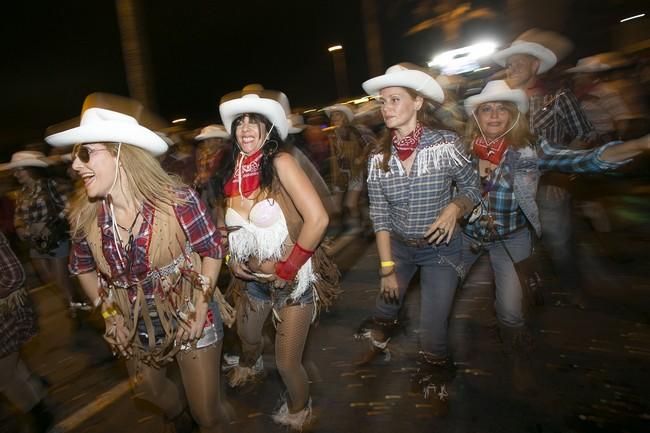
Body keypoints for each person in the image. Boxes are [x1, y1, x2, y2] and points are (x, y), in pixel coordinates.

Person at [44, 93, 232, 433]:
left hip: (188, 308)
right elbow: (81, 268)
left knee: (208, 413)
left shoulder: (177, 200)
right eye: (74, 155)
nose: (75, 165)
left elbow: (212, 250)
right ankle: (181, 420)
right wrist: (109, 315)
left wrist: (200, 304)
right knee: (150, 391)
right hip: (133, 319)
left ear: (120, 154)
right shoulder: (85, 217)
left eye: (85, 152)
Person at [462, 80, 650, 391]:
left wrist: (640, 144)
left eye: (502, 109)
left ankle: (517, 353)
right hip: (464, 237)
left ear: (513, 116)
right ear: (476, 117)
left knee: (509, 311)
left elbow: (586, 160)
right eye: (486, 109)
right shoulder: (459, 153)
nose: (494, 115)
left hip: (510, 237)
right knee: (439, 290)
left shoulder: (529, 151)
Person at [214, 85, 339, 430]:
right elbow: (231, 231)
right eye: (240, 122)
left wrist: (288, 267)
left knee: (287, 364)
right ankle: (250, 364)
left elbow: (318, 220)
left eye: (255, 121)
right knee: (248, 338)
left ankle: (299, 407)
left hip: (293, 282)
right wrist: (231, 261)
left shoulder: (281, 162)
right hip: (251, 284)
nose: (246, 128)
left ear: (269, 128)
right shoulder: (233, 170)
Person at [357, 63, 481, 412]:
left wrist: (455, 207)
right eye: (382, 102)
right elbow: (379, 215)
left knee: (434, 323)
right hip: (398, 246)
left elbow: (472, 186)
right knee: (386, 302)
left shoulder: (446, 144)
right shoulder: (379, 158)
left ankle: (435, 377)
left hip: (441, 250)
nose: (386, 108)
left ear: (417, 102)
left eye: (395, 99)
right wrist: (386, 267)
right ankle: (379, 342)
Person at [492, 29, 595, 307]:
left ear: (535, 65)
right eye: (509, 62)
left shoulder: (558, 98)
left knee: (559, 243)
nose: (511, 67)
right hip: (509, 187)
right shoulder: (501, 100)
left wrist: (564, 174)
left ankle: (574, 288)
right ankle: (529, 291)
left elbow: (585, 135)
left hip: (549, 183)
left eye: (518, 62)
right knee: (516, 245)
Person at [0, 150, 82, 314]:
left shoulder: (51, 184)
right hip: (35, 243)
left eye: (19, 170)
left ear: (30, 169)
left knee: (60, 279)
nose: (15, 174)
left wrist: (48, 224)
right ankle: (72, 300)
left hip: (55, 238)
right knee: (47, 278)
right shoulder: (23, 193)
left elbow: (69, 205)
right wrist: (20, 227)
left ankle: (74, 306)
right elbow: (18, 215)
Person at [0, 230, 57, 433]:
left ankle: (39, 413)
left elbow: (14, 275)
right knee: (13, 367)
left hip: (4, 316)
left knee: (5, 377)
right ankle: (38, 400)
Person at [323, 103, 375, 234]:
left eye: (338, 115)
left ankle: (363, 226)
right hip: (341, 173)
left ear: (345, 117)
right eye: (333, 116)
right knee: (335, 205)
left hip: (355, 172)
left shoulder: (355, 130)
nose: (335, 118)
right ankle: (354, 224)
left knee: (351, 204)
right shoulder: (333, 134)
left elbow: (370, 144)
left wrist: (361, 158)